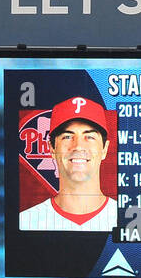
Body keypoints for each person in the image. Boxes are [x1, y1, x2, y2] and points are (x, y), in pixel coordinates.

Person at [19, 97, 118, 231]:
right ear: (52, 149)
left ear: (104, 149)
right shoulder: (25, 222)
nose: (78, 146)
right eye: (67, 136)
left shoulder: (129, 222)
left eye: (89, 137)